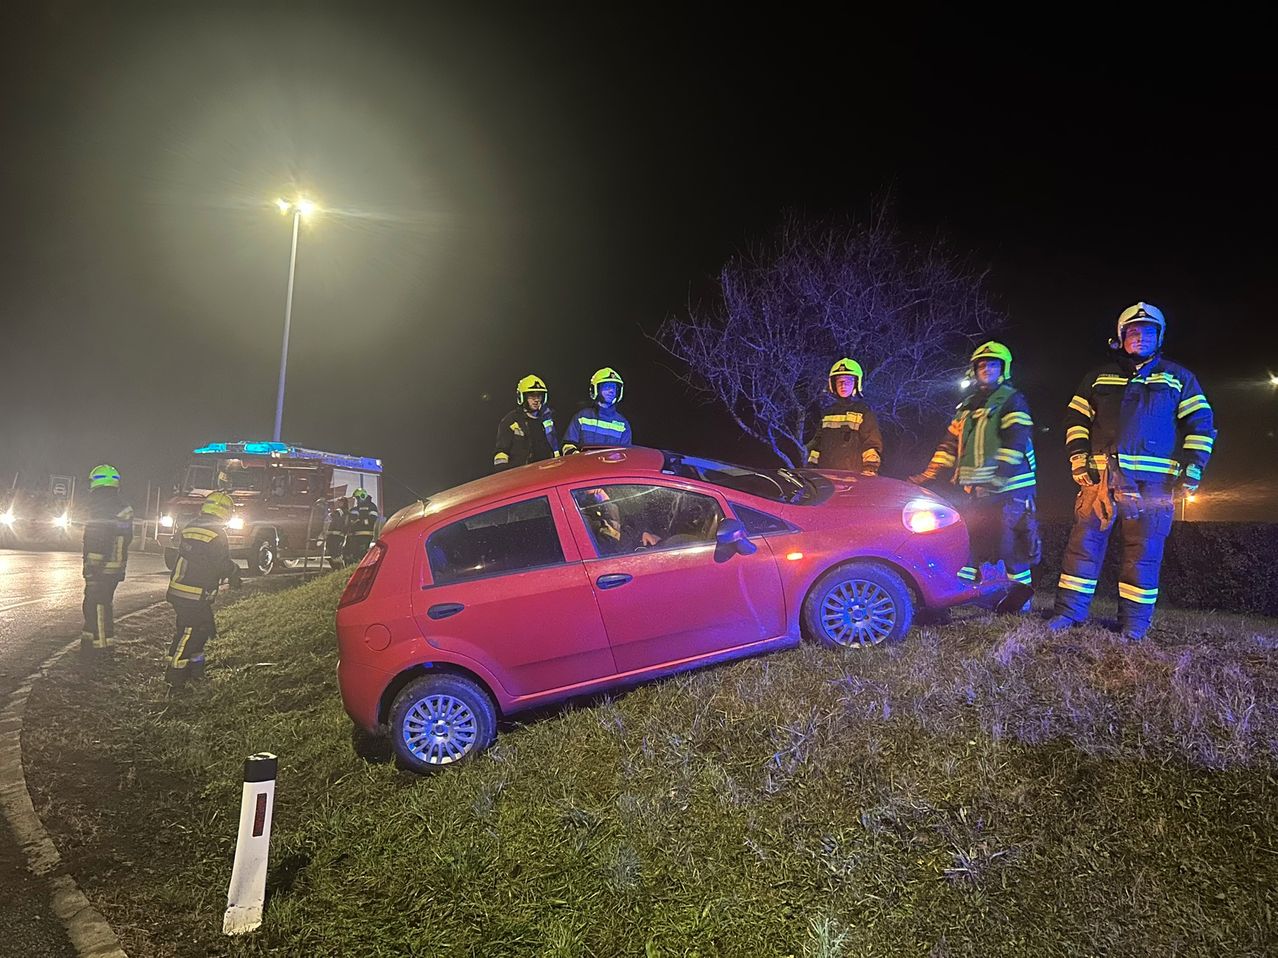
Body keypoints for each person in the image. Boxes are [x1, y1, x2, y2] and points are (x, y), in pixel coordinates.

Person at [1047, 302, 1216, 640]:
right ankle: (1069, 613)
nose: (1140, 338)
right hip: (1099, 480)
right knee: (1083, 548)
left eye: (1148, 332)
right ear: (1121, 338)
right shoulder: (1097, 377)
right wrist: (1078, 457)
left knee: (1143, 555)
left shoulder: (1178, 378)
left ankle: (1134, 625)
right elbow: (1075, 420)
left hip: (1153, 486)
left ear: (1159, 337)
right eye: (1134, 332)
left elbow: (1202, 424)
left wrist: (1193, 468)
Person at [910, 341, 1038, 597]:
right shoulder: (967, 407)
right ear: (974, 370)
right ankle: (966, 594)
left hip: (1011, 488)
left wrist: (999, 477)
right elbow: (948, 445)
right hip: (977, 490)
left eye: (992, 364)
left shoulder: (1012, 400)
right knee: (970, 543)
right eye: (982, 365)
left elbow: (1016, 440)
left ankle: (1020, 599)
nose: (987, 369)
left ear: (1003, 369)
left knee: (1009, 545)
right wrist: (929, 474)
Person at [165, 491, 242, 686]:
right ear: (225, 512)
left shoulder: (191, 526)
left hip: (178, 589)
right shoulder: (217, 533)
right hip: (195, 593)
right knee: (193, 631)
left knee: (191, 629)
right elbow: (220, 563)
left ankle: (195, 670)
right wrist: (235, 572)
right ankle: (175, 676)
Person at [80, 464, 133, 657]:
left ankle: (102, 648)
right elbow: (125, 538)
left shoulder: (101, 507)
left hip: (101, 568)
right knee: (97, 603)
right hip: (115, 566)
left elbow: (97, 541)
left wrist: (92, 567)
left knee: (99, 606)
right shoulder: (122, 506)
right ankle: (89, 640)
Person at [806, 359, 883, 474]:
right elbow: (817, 445)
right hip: (827, 479)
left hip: (852, 479)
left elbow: (871, 444)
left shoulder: (863, 413)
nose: (843, 385)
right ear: (833, 385)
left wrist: (869, 471)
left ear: (856, 383)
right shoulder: (827, 414)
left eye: (848, 381)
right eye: (839, 381)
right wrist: (811, 469)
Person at [493, 374, 561, 471]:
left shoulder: (549, 418)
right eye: (532, 396)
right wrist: (503, 474)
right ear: (522, 397)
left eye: (539, 396)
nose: (536, 400)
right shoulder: (511, 421)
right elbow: (501, 452)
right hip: (521, 474)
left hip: (548, 471)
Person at [562, 367, 632, 454]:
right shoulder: (582, 417)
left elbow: (625, 455)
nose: (611, 391)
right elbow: (567, 446)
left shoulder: (623, 425)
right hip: (584, 466)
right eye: (607, 386)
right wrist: (577, 456)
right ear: (596, 389)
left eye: (614, 387)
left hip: (610, 467)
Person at [343, 488, 380, 563]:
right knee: (349, 554)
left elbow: (373, 519)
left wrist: (361, 521)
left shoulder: (371, 506)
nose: (357, 500)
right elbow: (351, 518)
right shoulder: (356, 508)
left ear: (363, 496)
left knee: (361, 555)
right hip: (354, 536)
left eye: (357, 498)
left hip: (365, 536)